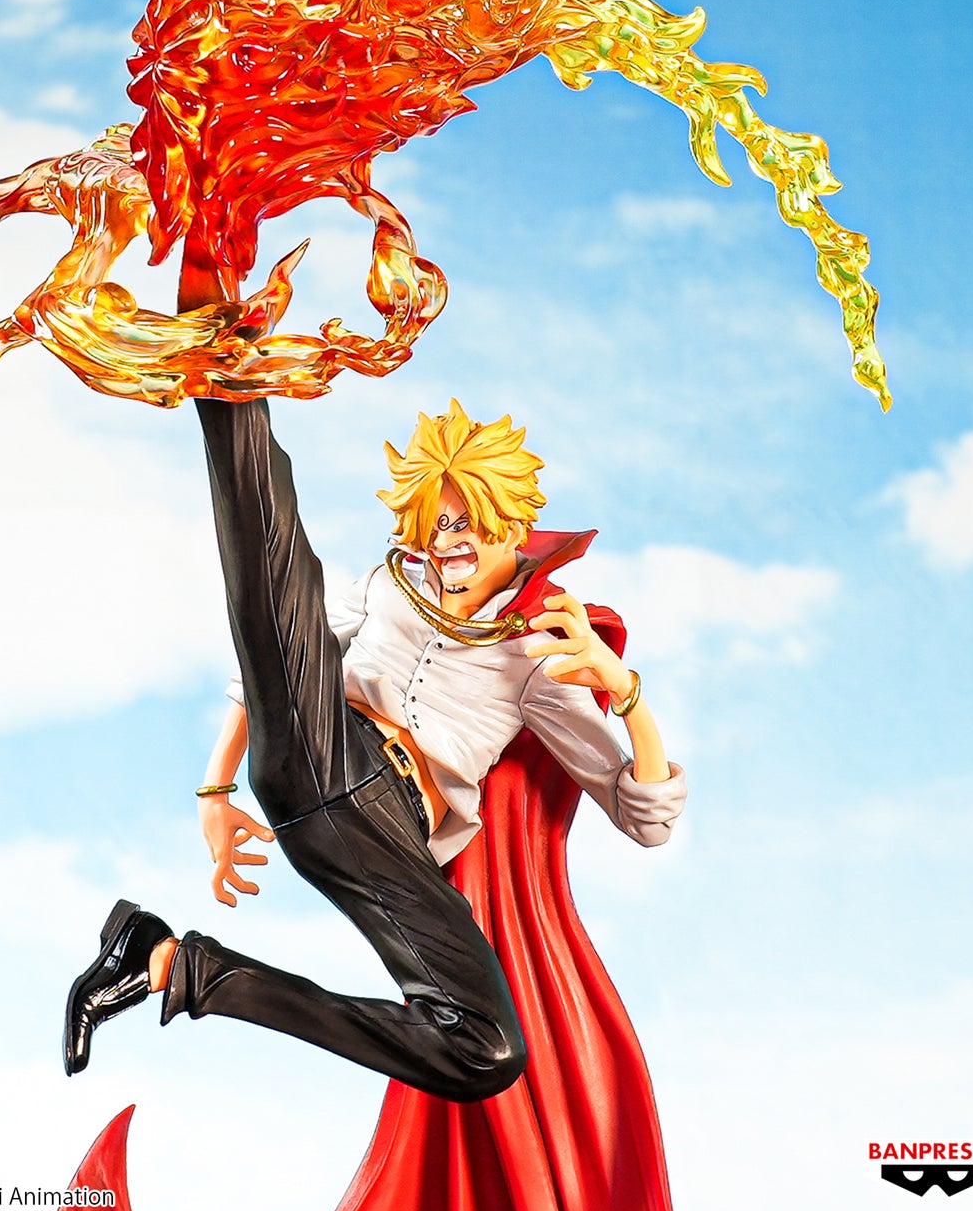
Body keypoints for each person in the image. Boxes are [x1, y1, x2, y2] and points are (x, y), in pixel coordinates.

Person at [63, 397, 685, 1109]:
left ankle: (168, 964)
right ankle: (229, 378)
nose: (449, 542)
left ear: (512, 522)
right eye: (437, 524)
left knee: (486, 1049)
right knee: (275, 576)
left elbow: (647, 819)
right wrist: (215, 788)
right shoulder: (391, 584)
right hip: (321, 748)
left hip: (387, 839)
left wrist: (622, 688)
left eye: (467, 522)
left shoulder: (539, 649)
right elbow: (274, 655)